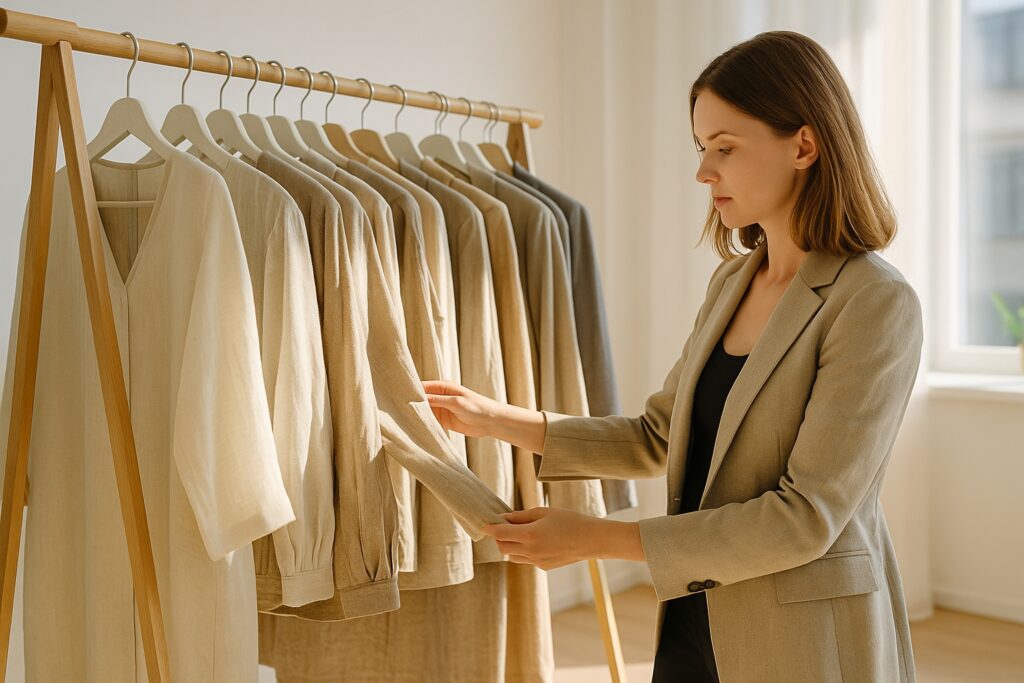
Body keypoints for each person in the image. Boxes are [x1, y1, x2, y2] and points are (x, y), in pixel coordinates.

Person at [424, 30, 922, 683]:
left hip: (800, 638)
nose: (702, 171)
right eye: (700, 148)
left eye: (725, 148)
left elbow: (806, 517)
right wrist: (495, 418)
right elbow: (659, 435)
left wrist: (596, 539)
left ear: (804, 145)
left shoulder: (875, 302)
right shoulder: (732, 283)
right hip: (695, 614)